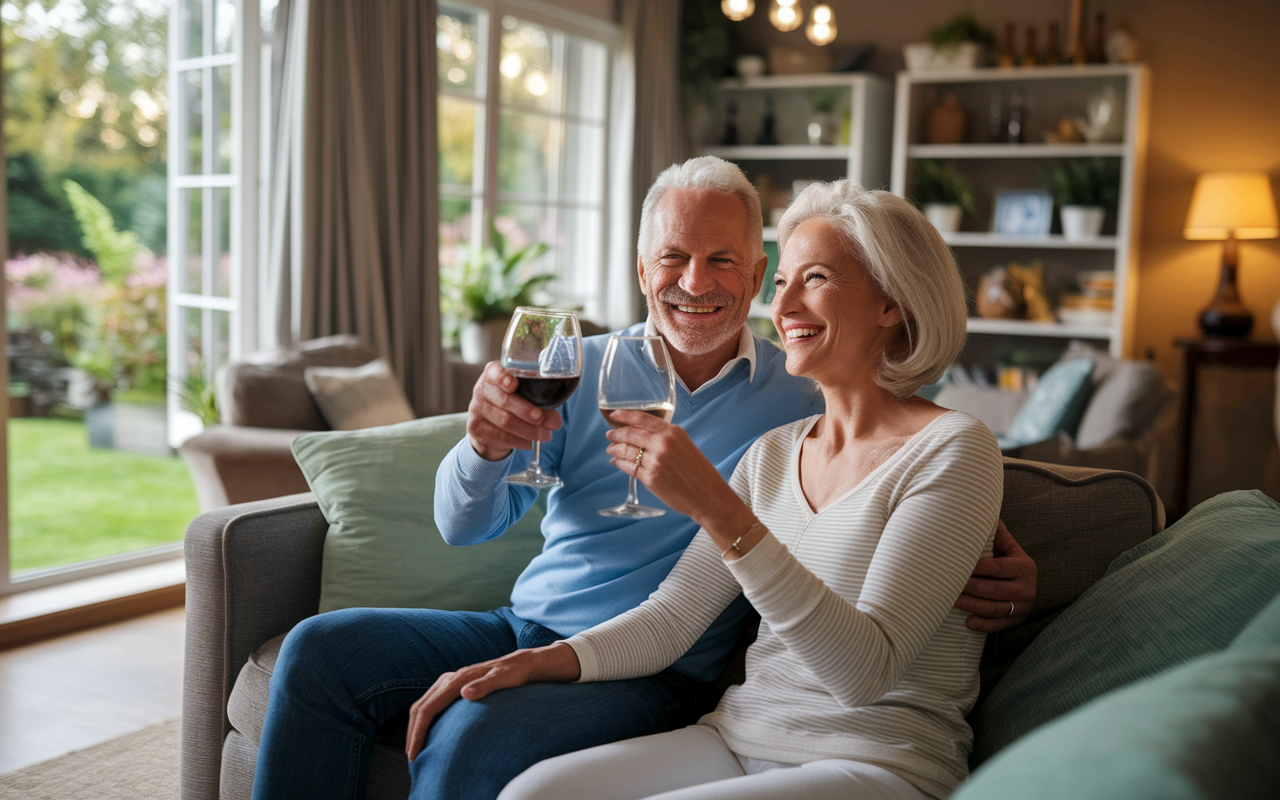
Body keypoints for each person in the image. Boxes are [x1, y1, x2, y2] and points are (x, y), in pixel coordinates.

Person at [251, 158, 1035, 800]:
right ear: (641, 268)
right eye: (674, 256)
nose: (697, 281)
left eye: (725, 260)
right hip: (537, 624)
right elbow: (467, 526)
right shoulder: (585, 372)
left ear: (752, 271)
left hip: (673, 674)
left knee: (471, 737)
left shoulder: (804, 395)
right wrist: (482, 448)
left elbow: (915, 483)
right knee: (320, 649)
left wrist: (1008, 567)